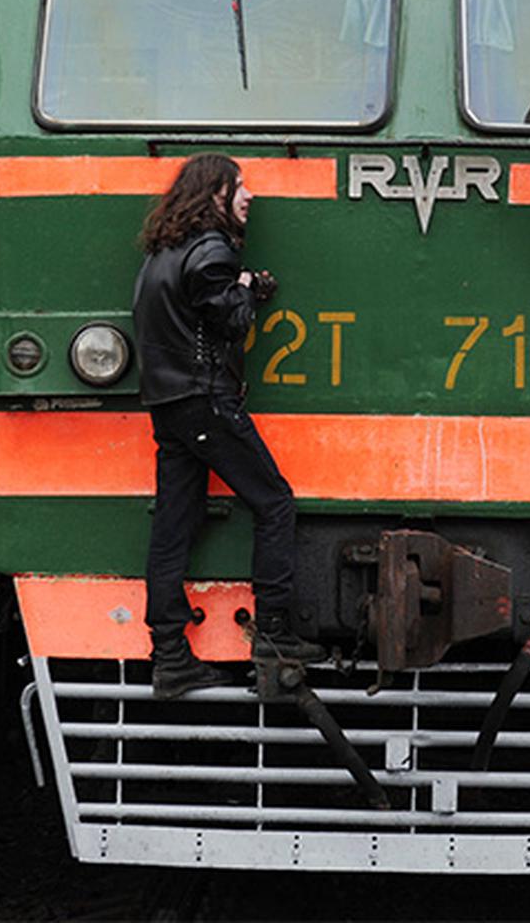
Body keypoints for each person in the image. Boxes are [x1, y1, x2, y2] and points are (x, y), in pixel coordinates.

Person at [132, 153, 323, 700]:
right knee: (274, 502)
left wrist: (241, 286)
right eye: (240, 187)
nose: (249, 197)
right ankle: (274, 635)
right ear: (215, 193)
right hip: (204, 400)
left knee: (173, 526)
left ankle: (170, 656)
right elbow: (230, 320)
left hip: (169, 405)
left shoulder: (160, 253)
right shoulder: (213, 251)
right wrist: (245, 285)